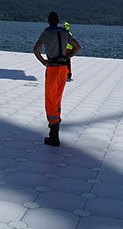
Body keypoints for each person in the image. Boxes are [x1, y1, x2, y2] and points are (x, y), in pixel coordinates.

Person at [33, 12, 81, 146]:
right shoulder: (65, 33)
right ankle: (57, 123)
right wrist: (68, 57)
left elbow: (35, 49)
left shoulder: (46, 33)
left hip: (53, 68)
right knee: (58, 97)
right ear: (58, 21)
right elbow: (77, 47)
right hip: (63, 69)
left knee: (50, 98)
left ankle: (53, 135)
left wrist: (44, 61)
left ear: (48, 21)